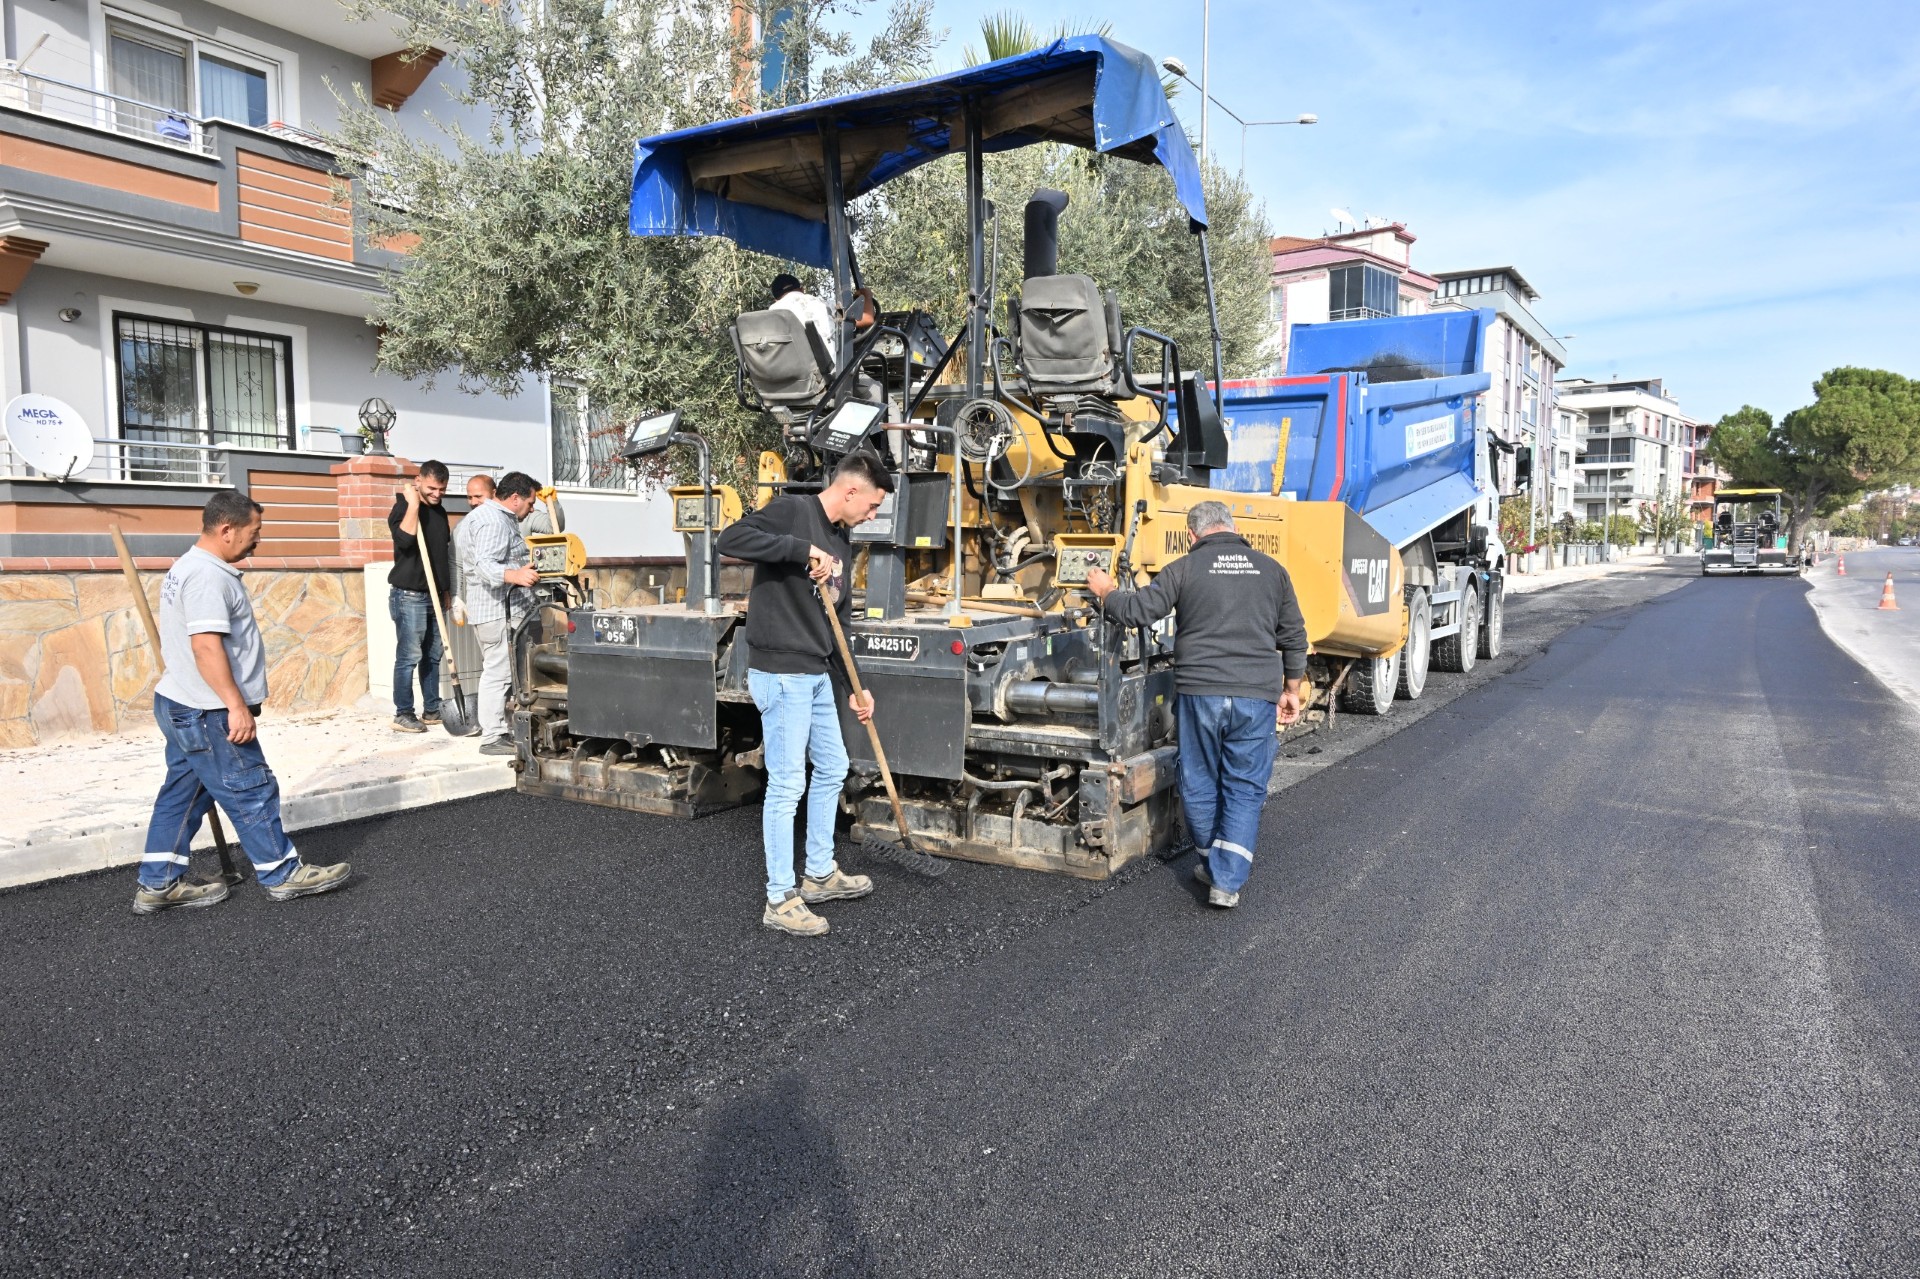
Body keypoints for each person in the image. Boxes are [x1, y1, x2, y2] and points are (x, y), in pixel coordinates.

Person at [133, 491, 351, 914]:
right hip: (207, 710)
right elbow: (206, 648)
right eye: (254, 533)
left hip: (182, 701)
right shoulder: (207, 577)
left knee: (183, 795)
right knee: (251, 788)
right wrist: (235, 705)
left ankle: (158, 883)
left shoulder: (190, 566)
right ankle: (282, 873)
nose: (257, 541)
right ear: (226, 528)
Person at [1086, 500, 1308, 909]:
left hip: (1200, 693)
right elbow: (1294, 635)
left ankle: (1212, 862)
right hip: (1255, 694)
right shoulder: (1273, 571)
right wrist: (1291, 689)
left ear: (1192, 535)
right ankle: (1225, 878)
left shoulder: (1184, 568)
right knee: (1243, 786)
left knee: (1201, 779)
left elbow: (1137, 611)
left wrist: (1106, 592)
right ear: (1232, 526)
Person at [715, 453, 892, 937]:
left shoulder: (842, 537)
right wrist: (800, 551)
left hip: (815, 672)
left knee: (833, 765)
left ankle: (818, 874)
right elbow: (729, 539)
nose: (873, 515)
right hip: (781, 672)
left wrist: (855, 683)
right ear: (851, 491)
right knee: (788, 781)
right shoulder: (794, 510)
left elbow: (837, 620)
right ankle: (779, 898)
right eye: (873, 505)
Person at [461, 470, 541, 756]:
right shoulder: (493, 520)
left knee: (499, 671)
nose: (532, 509)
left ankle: (501, 729)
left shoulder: (483, 517)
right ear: (516, 498)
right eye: (531, 503)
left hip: (493, 610)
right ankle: (493, 736)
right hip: (498, 611)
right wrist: (515, 575)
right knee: (498, 673)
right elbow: (485, 565)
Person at [387, 459, 453, 733]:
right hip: (409, 595)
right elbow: (403, 541)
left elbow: (441, 556)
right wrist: (414, 504)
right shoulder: (403, 507)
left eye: (442, 490)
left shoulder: (440, 512)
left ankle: (432, 708)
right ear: (418, 481)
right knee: (409, 656)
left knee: (433, 655)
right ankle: (403, 713)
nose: (437, 494)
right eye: (431, 489)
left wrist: (446, 590)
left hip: (435, 595)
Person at [770, 272, 837, 361]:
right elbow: (859, 321)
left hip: (790, 369)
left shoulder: (772, 312)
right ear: (802, 289)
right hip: (832, 369)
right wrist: (862, 294)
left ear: (775, 300)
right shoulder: (825, 303)